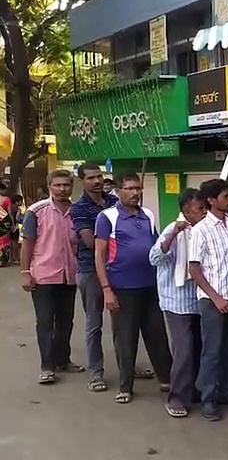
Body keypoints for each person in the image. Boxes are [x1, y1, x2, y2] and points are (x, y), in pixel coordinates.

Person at [94, 172, 172, 404]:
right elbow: (99, 255)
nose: (135, 193)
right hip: (122, 288)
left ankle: (166, 379)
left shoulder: (148, 215)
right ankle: (125, 386)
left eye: (137, 188)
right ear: (118, 191)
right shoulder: (107, 217)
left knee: (157, 334)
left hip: (150, 286)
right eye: (129, 188)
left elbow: (157, 247)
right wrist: (106, 289)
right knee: (125, 338)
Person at [189, 178, 228, 421]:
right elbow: (194, 269)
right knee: (211, 351)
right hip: (213, 301)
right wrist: (216, 297)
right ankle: (208, 399)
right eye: (226, 196)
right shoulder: (200, 229)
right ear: (212, 201)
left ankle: (226, 391)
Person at [19, 170, 83, 384]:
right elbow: (27, 242)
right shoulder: (36, 211)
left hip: (70, 276)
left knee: (66, 321)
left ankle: (63, 360)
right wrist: (25, 272)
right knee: (45, 321)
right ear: (49, 187)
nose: (62, 189)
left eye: (66, 185)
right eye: (57, 185)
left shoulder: (77, 211)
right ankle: (47, 366)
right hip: (43, 276)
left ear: (71, 186)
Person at [149, 188, 207, 418]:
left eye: (205, 208)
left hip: (199, 298)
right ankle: (176, 397)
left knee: (197, 348)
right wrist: (173, 233)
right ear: (186, 211)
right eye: (199, 209)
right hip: (177, 301)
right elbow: (154, 258)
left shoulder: (203, 230)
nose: (204, 213)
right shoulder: (174, 229)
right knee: (183, 349)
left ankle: (190, 390)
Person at [71, 162, 121, 393]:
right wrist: (120, 240)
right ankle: (96, 373)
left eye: (99, 176)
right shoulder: (79, 208)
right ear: (82, 181)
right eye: (91, 178)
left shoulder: (114, 201)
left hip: (118, 269)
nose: (97, 181)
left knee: (124, 322)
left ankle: (127, 367)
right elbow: (90, 242)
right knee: (94, 324)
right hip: (90, 269)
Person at [0, 182, 12, 266]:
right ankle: (2, 261)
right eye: (4, 189)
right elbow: (10, 211)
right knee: (4, 241)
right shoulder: (6, 199)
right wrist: (13, 222)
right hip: (4, 222)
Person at [9, 194, 22, 264]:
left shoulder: (9, 207)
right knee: (15, 242)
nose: (21, 203)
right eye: (21, 201)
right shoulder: (18, 209)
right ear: (17, 201)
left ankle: (10, 258)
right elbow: (17, 218)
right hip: (15, 226)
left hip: (8, 227)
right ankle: (16, 258)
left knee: (10, 242)